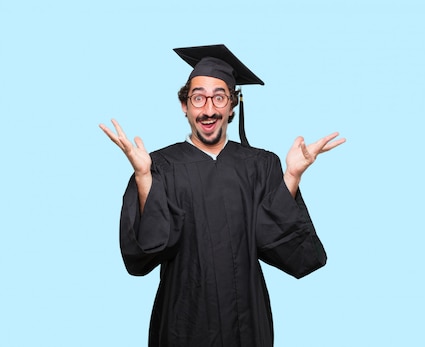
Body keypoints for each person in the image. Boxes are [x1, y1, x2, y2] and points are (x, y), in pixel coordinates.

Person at [99, 44, 345, 347]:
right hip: (183, 317)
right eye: (198, 97)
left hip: (246, 319)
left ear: (232, 106)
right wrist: (143, 176)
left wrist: (292, 175)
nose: (209, 108)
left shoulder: (261, 164)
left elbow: (273, 241)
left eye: (220, 97)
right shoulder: (160, 166)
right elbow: (149, 249)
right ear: (184, 106)